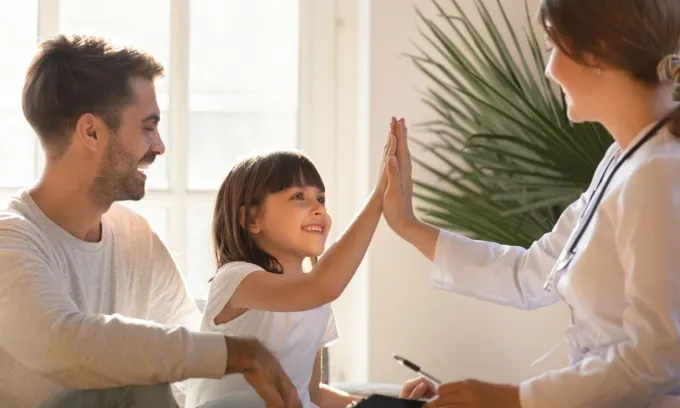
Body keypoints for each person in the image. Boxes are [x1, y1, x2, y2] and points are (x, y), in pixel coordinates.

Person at [381, 0, 680, 406]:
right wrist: (407, 225)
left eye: (552, 48)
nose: (549, 69)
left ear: (596, 54)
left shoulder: (658, 173)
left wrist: (511, 398)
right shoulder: (622, 160)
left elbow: (656, 361)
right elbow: (528, 273)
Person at [0, 34, 300, 408]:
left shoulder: (133, 237)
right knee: (132, 387)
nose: (159, 146)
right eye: (147, 126)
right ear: (91, 131)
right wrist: (239, 352)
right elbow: (62, 343)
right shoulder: (10, 240)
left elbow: (188, 345)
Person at [185, 130, 436, 407]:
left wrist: (390, 405)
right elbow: (321, 285)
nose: (318, 209)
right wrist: (379, 197)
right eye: (298, 197)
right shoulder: (236, 279)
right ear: (251, 218)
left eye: (321, 199)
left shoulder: (317, 302)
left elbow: (313, 393)